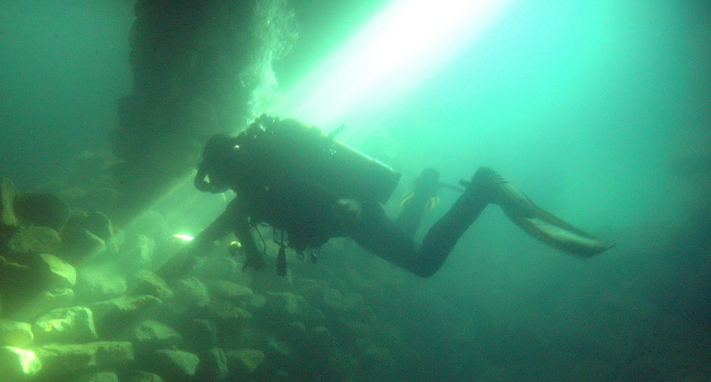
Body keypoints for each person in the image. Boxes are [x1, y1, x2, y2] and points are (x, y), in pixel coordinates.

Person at [164, 115, 610, 279]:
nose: (217, 185)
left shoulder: (260, 185)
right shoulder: (253, 188)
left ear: (226, 168)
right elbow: (214, 231)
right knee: (402, 236)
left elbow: (304, 190)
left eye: (216, 177)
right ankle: (425, 191)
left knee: (421, 264)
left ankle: (483, 190)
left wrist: (346, 208)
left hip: (349, 215)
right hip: (350, 217)